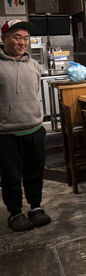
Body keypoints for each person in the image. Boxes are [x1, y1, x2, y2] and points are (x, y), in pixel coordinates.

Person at [0, 19, 52, 232]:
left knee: (35, 173)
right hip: (6, 133)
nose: (22, 42)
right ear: (3, 38)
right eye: (17, 38)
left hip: (34, 128)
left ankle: (36, 207)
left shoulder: (33, 64)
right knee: (11, 176)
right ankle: (15, 213)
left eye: (26, 38)